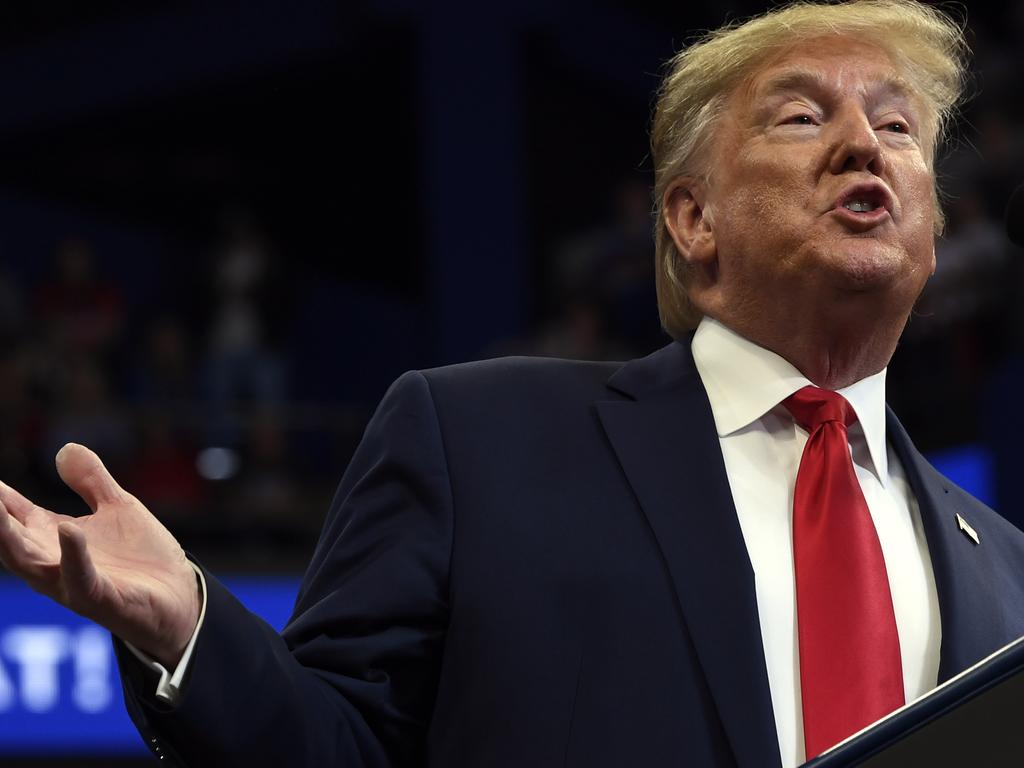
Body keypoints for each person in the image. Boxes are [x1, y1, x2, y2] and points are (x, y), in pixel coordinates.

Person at [3, 1, 1023, 766]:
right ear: (690, 219)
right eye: (802, 117)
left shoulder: (1008, 577)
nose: (863, 144)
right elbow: (335, 745)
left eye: (898, 129)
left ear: (932, 229)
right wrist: (190, 624)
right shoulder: (475, 440)